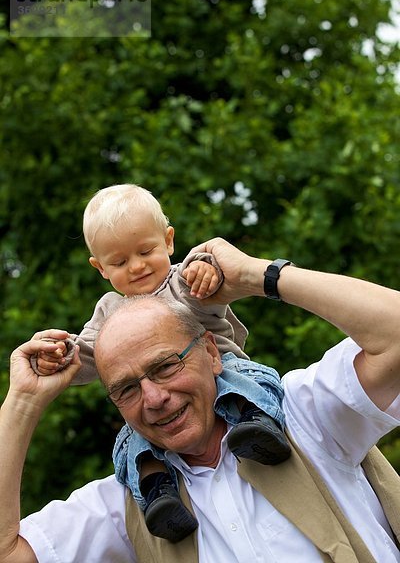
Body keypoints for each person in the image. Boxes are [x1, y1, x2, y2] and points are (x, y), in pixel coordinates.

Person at [1, 237, 400, 563]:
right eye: (126, 389)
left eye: (166, 367)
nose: (154, 398)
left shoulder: (301, 415)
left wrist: (255, 275)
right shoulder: (131, 500)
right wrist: (23, 401)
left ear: (211, 353)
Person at [30, 184, 290, 542]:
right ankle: (158, 492)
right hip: (168, 405)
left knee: (252, 378)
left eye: (145, 251)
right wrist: (60, 356)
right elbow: (87, 357)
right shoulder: (109, 311)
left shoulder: (183, 279)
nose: (136, 267)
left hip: (223, 368)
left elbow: (213, 282)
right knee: (128, 440)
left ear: (168, 241)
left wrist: (208, 272)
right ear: (100, 268)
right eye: (120, 262)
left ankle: (257, 424)